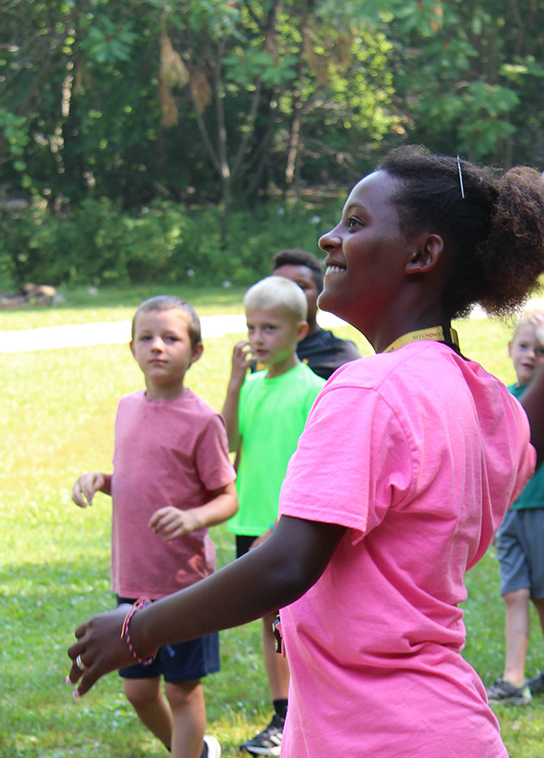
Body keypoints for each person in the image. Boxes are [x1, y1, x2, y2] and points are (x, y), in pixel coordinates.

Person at [67, 146, 544, 758]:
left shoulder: (370, 387)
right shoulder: (468, 387)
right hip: (428, 727)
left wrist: (136, 627)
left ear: (423, 254)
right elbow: (530, 439)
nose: (329, 239)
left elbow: (288, 562)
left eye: (355, 223)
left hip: (385, 734)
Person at [69, 295, 237, 758]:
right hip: (133, 579)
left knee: (183, 691)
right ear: (132, 349)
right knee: (139, 692)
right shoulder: (127, 408)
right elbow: (132, 477)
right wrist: (100, 481)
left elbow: (228, 497)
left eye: (171, 338)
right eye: (146, 338)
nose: (157, 347)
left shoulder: (203, 421)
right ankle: (196, 752)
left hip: (186, 586)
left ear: (196, 352)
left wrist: (192, 517)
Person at [219, 276, 325, 756]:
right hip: (249, 523)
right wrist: (235, 383)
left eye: (270, 329)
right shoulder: (251, 386)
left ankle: (305, 714)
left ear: (300, 331)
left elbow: (316, 467)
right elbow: (227, 447)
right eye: (251, 328)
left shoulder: (314, 391)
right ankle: (282, 714)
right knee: (270, 623)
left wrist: (280, 527)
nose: (257, 339)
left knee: (298, 622)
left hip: (287, 530)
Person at [485, 309, 544, 704]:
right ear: (509, 349)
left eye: (542, 351)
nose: (530, 355)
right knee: (514, 593)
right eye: (524, 346)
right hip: (510, 510)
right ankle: (513, 679)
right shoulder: (504, 397)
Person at [269, 248, 361, 379]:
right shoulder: (262, 353)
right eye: (279, 287)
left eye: (301, 286)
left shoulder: (339, 354)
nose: (290, 294)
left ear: (320, 293)